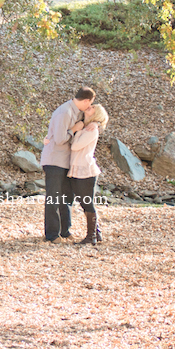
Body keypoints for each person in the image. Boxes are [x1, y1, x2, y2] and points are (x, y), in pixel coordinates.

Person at [39, 87, 94, 242]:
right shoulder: (65, 112)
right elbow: (60, 139)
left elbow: (98, 119)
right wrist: (74, 129)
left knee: (66, 197)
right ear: (86, 101)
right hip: (54, 161)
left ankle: (65, 231)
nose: (89, 108)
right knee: (53, 198)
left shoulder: (77, 112)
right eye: (89, 104)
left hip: (66, 161)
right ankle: (51, 235)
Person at [69, 103, 109, 245]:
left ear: (96, 114)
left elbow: (75, 146)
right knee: (83, 201)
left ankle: (91, 235)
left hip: (85, 169)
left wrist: (78, 131)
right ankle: (96, 232)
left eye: (92, 108)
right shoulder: (87, 128)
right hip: (78, 167)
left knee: (87, 202)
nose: (88, 108)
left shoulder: (91, 130)